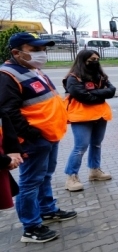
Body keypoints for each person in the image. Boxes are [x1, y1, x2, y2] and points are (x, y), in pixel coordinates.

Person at [0, 32, 76, 243]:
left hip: (49, 136)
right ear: (16, 52)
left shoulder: (32, 69)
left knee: (44, 176)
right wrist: (34, 135)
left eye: (42, 49)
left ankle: (47, 210)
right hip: (35, 140)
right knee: (30, 182)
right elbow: (8, 112)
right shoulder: (7, 75)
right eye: (34, 50)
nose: (41, 54)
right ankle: (31, 227)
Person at [63, 50, 116, 192]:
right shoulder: (73, 78)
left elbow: (112, 90)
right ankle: (71, 176)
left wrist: (93, 94)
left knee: (96, 144)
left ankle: (95, 171)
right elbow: (82, 97)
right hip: (81, 117)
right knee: (80, 147)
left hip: (100, 115)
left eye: (97, 59)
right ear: (83, 60)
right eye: (92, 59)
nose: (95, 61)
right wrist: (100, 94)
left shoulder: (100, 76)